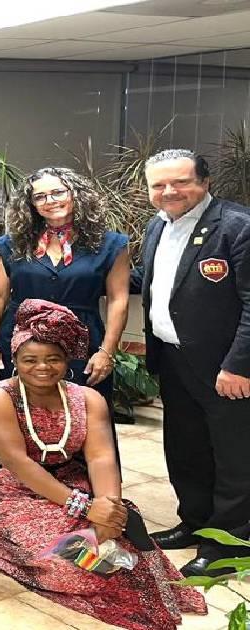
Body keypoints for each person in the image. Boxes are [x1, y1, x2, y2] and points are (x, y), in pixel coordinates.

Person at [0, 299, 205, 630]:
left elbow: (101, 457)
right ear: (15, 361)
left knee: (116, 549)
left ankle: (83, 536)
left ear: (66, 361)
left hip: (69, 480)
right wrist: (86, 507)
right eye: (30, 359)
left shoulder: (87, 399)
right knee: (68, 566)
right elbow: (18, 463)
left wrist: (108, 506)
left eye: (53, 359)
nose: (43, 367)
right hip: (5, 486)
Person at [139, 149, 250, 577]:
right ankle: (196, 521)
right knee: (186, 449)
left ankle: (229, 544)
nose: (170, 191)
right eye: (159, 185)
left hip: (226, 368)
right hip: (174, 358)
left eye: (181, 182)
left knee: (234, 456)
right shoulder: (157, 226)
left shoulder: (237, 227)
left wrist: (240, 365)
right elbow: (160, 285)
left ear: (204, 181)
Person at [0, 167, 131, 402]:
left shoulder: (111, 244)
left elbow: (118, 300)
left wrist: (107, 351)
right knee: (16, 414)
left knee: (83, 413)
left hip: (83, 343)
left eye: (58, 192)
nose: (50, 201)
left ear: (76, 194)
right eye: (39, 196)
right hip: (19, 343)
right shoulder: (13, 243)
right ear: (31, 204)